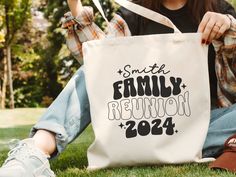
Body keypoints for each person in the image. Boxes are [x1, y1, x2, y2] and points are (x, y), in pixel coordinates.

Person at [0, 0, 235, 176]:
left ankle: (166, 147)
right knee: (96, 67)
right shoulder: (133, 12)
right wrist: (75, 7)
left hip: (200, 125)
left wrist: (229, 26)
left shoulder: (218, 8)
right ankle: (35, 151)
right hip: (138, 122)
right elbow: (99, 62)